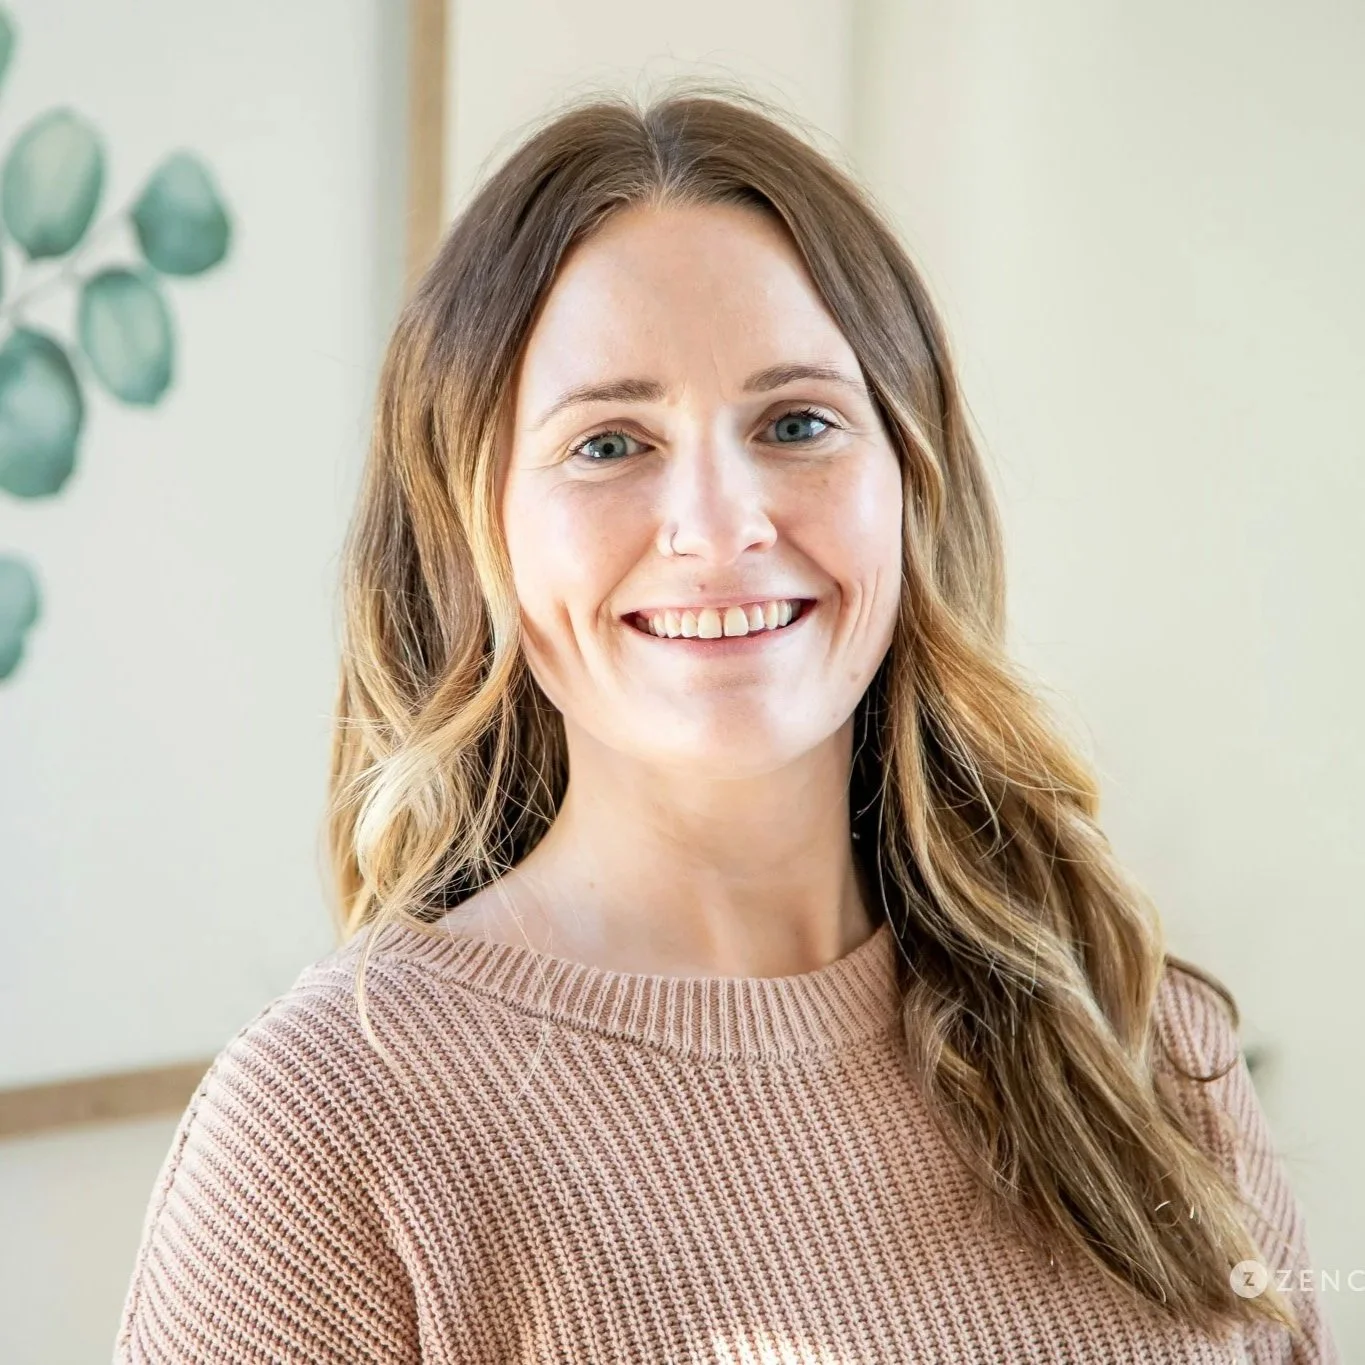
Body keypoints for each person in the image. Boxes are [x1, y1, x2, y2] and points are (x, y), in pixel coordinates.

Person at [114, 84, 1338, 1363]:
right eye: (609, 444)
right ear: (477, 538)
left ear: (911, 486)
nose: (721, 524)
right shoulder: (328, 1133)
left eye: (797, 423)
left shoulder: (1136, 1036)